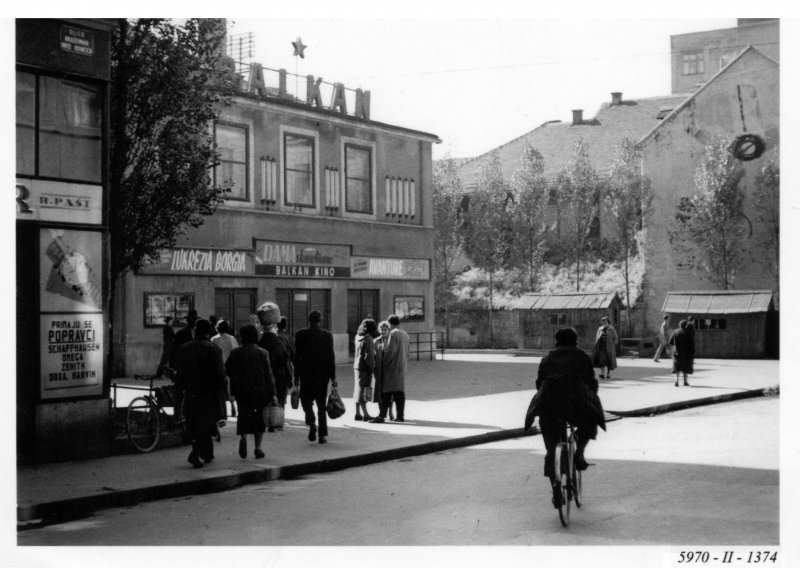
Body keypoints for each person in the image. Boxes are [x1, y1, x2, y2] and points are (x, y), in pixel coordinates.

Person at [531, 327, 606, 508]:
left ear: (556, 342)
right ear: (575, 342)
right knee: (590, 422)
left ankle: (556, 491)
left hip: (550, 408)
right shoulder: (582, 357)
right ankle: (579, 453)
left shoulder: (547, 358)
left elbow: (539, 383)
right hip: (576, 406)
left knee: (551, 449)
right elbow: (591, 383)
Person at [175, 319, 227, 468]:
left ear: (195, 331)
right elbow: (219, 372)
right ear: (208, 332)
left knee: (198, 422)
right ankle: (195, 453)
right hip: (209, 392)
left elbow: (180, 374)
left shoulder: (185, 348)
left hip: (191, 391)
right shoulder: (214, 349)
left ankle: (207, 452)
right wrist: (225, 391)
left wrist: (179, 394)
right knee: (205, 423)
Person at [225, 324, 278, 459]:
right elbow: (268, 375)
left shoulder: (235, 353)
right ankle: (258, 447)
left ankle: (243, 437)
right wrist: (273, 394)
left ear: (242, 337)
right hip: (259, 391)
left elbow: (228, 370)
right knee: (258, 419)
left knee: (243, 415)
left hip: (241, 391)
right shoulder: (263, 353)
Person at [294, 310, 337, 444]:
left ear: (309, 320)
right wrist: (333, 377)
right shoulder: (327, 335)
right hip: (321, 376)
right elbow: (331, 357)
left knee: (306, 401)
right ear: (320, 320)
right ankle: (322, 435)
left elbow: (297, 358)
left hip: (306, 375)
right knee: (321, 405)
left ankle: (311, 422)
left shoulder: (300, 335)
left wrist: (296, 376)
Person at [256, 303, 293, 432]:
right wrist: (290, 378)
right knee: (280, 399)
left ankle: (268, 421)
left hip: (264, 378)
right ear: (275, 327)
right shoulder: (279, 343)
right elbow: (285, 361)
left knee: (266, 399)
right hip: (279, 376)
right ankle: (277, 421)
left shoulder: (260, 343)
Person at [169, 309, 199, 424]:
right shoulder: (181, 334)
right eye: (191, 319)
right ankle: (177, 416)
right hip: (183, 368)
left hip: (195, 370)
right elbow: (174, 352)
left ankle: (191, 416)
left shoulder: (198, 334)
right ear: (188, 321)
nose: (193, 321)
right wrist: (173, 369)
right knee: (179, 393)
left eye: (194, 319)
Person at [380, 314, 409, 422]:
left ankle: (382, 415)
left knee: (387, 392)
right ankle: (399, 416)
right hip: (402, 366)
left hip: (392, 367)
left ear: (390, 323)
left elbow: (390, 351)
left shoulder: (393, 333)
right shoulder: (405, 334)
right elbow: (408, 352)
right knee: (399, 392)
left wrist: (384, 362)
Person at [212, 319, 239, 418]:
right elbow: (236, 351)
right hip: (230, 367)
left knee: (220, 390)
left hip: (218, 367)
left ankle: (223, 410)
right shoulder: (232, 338)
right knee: (230, 388)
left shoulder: (214, 339)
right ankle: (233, 406)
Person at [353, 319, 378, 421]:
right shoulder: (368, 339)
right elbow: (369, 357)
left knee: (358, 389)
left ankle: (358, 413)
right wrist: (372, 369)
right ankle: (366, 414)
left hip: (357, 366)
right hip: (365, 368)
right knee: (364, 390)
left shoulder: (358, 336)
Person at [369, 321, 391, 423]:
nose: (383, 331)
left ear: (388, 330)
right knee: (379, 393)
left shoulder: (391, 341)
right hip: (378, 370)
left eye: (385, 329)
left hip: (388, 371)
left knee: (389, 393)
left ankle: (390, 412)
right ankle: (381, 413)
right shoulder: (375, 341)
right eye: (381, 329)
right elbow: (373, 356)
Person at [669, 320, 694, 387]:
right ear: (686, 325)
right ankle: (685, 382)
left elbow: (671, 342)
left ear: (679, 325)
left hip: (676, 353)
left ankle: (676, 381)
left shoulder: (675, 332)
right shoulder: (689, 333)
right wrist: (692, 352)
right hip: (685, 353)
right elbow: (691, 344)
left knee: (677, 367)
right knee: (685, 367)